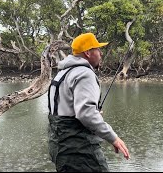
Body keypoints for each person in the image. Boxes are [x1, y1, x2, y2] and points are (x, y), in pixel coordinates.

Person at [47, 32, 130, 172]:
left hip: (58, 147)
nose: (100, 53)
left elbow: (67, 110)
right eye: (97, 49)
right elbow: (86, 114)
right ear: (87, 53)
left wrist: (93, 112)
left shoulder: (63, 73)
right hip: (78, 149)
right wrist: (113, 138)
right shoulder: (84, 73)